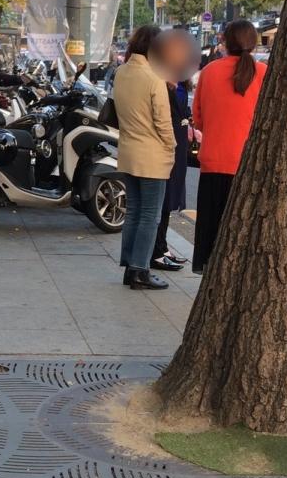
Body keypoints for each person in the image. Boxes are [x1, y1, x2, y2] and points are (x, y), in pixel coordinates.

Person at [191, 18, 267, 273]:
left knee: (210, 227)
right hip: (248, 163)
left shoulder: (210, 71)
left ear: (224, 41)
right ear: (253, 43)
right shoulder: (262, 73)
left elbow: (198, 119)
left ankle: (206, 268)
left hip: (213, 160)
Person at [111, 24, 177, 290]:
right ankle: (140, 269)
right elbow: (163, 121)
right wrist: (171, 146)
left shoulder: (121, 72)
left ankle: (130, 266)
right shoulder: (154, 77)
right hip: (152, 155)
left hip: (128, 151)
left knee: (134, 211)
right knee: (150, 214)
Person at [149, 30, 199, 272]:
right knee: (163, 199)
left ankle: (163, 247)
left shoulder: (179, 80)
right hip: (165, 146)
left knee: (171, 199)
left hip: (178, 145)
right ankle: (156, 250)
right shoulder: (157, 79)